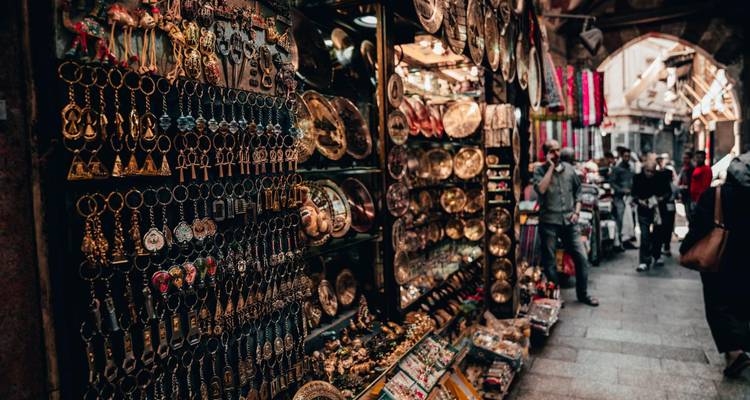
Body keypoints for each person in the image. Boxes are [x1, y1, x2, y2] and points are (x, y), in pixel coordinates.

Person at [680, 151, 750, 378]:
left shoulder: (715, 194)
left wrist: (686, 248)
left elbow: (699, 226)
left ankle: (734, 353)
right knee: (741, 302)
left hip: (719, 259)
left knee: (719, 306)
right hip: (745, 260)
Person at [533, 140, 599, 307]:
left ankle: (583, 294)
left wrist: (577, 211)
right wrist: (549, 167)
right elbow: (541, 189)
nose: (556, 154)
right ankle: (555, 297)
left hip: (569, 221)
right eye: (552, 151)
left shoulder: (569, 169)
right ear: (546, 153)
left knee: (581, 257)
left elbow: (578, 190)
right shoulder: (539, 170)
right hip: (549, 222)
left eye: (558, 150)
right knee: (550, 261)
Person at [632, 159, 672, 271]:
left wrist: (660, 199)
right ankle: (644, 261)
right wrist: (640, 201)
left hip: (657, 210)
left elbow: (668, 192)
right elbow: (634, 194)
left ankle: (657, 255)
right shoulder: (638, 178)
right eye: (647, 171)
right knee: (644, 236)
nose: (649, 174)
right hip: (643, 210)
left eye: (652, 171)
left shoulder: (661, 177)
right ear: (644, 169)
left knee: (657, 234)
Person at [609, 148, 635, 250]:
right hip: (619, 198)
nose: (627, 158)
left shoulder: (630, 168)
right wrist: (622, 190)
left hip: (629, 198)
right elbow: (612, 183)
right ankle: (619, 242)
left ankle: (626, 240)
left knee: (629, 219)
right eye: (625, 156)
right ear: (622, 157)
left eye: (628, 156)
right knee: (620, 219)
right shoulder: (617, 169)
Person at [656, 153, 677, 256]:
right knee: (662, 225)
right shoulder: (657, 174)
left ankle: (666, 245)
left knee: (668, 225)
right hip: (662, 204)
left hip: (667, 203)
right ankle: (663, 245)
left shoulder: (668, 173)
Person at [677, 151, 695, 217]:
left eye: (686, 158)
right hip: (685, 194)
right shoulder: (684, 168)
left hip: (690, 195)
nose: (684, 160)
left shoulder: (692, 168)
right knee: (687, 213)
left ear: (690, 159)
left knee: (690, 213)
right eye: (684, 158)